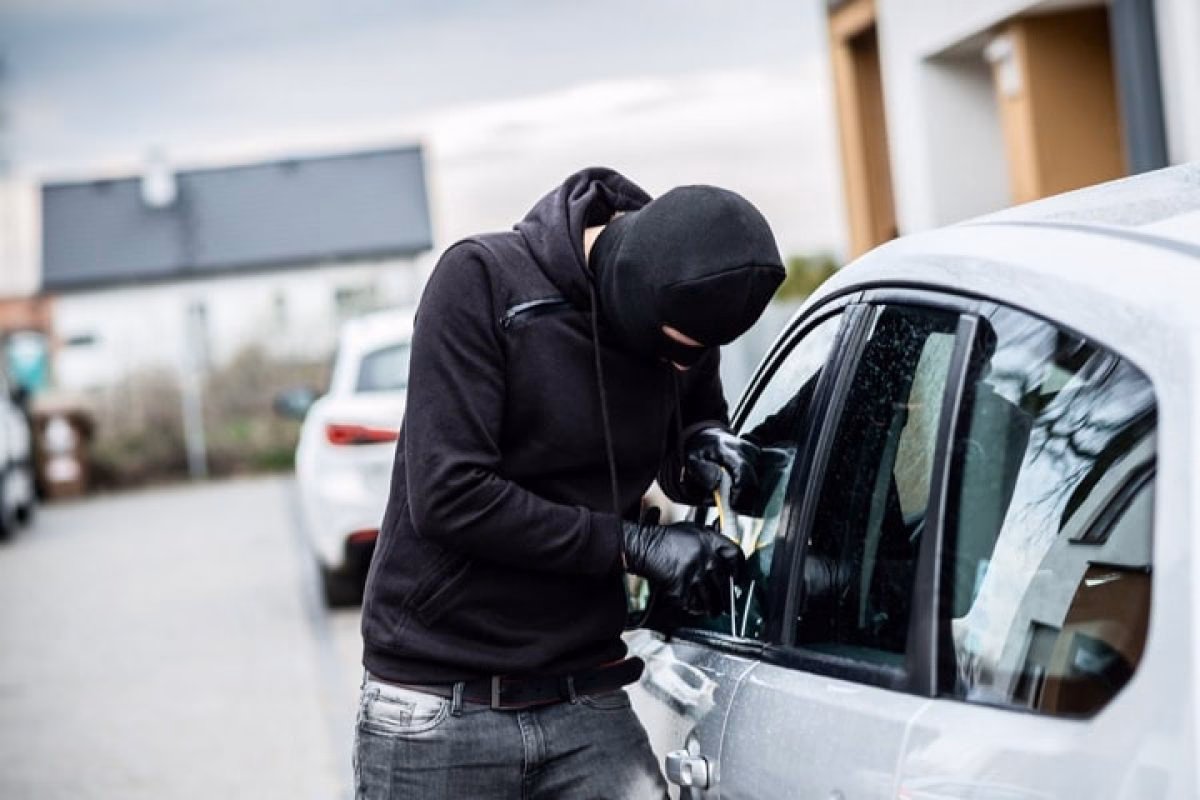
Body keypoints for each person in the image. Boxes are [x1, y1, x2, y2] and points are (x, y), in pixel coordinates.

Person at [355, 167, 785, 799]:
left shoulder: (684, 316)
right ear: (627, 293)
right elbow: (451, 495)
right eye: (675, 349)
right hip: (439, 704)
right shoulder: (482, 282)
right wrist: (634, 547)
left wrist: (702, 447)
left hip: (585, 693)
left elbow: (684, 427)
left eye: (699, 353)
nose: (683, 365)